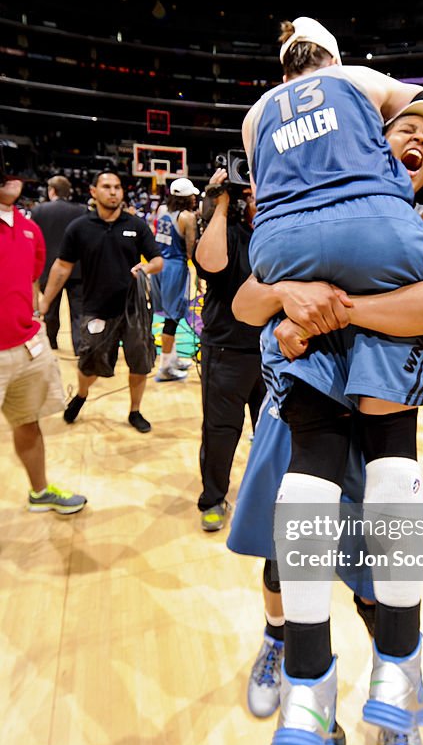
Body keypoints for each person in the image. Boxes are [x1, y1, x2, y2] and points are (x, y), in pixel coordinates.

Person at [240, 21, 423, 745]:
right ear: (369, 145)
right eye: (404, 129)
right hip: (307, 423)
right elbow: (247, 303)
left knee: (377, 577)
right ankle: (291, 658)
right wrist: (284, 293)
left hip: (348, 391)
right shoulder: (350, 205)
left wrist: (324, 309)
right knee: (283, 559)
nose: (416, 139)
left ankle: (391, 711)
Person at [39, 171, 163, 433]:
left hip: (134, 312)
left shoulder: (136, 225)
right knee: (89, 363)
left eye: (117, 187)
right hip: (96, 309)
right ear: (94, 192)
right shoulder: (80, 228)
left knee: (139, 363)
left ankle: (135, 411)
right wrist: (45, 302)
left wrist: (146, 268)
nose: (114, 191)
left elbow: (157, 259)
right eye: (107, 186)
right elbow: (61, 267)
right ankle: (82, 395)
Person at [0, 165, 87, 514]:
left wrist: (35, 322)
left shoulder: (30, 228)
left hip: (25, 348)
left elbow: (33, 282)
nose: (8, 177)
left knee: (28, 422)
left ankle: (39, 492)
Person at [192, 172, 266, 533]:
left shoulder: (279, 235)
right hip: (227, 348)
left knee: (273, 431)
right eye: (250, 189)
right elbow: (209, 264)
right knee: (221, 431)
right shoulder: (227, 232)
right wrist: (219, 205)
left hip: (275, 352)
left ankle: (268, 496)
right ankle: (213, 498)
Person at [30, 175, 87, 354]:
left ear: (51, 191)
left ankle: (52, 344)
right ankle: (79, 348)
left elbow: (33, 243)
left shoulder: (39, 210)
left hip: (48, 268)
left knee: (50, 310)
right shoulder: (82, 210)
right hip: (77, 269)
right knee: (78, 311)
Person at [154, 176, 198, 382]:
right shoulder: (187, 217)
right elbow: (191, 251)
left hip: (159, 265)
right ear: (187, 198)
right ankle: (164, 368)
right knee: (172, 319)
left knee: (168, 315)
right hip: (175, 268)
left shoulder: (161, 210)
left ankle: (172, 359)